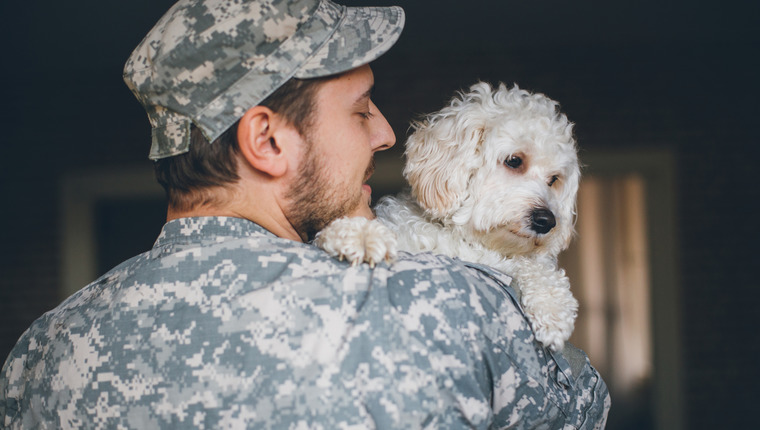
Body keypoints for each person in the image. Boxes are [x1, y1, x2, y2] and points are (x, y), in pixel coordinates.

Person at [0, 0, 610, 428]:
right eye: (361, 109)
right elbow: (584, 408)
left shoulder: (38, 354)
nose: (387, 134)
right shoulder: (443, 302)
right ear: (267, 141)